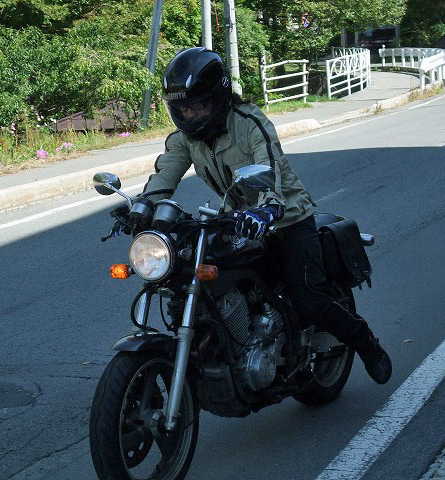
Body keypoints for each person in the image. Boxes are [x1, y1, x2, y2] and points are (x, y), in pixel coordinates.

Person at [135, 47, 392, 384]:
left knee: (307, 300)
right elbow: (165, 174)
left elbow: (270, 167)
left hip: (285, 218)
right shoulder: (185, 139)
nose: (191, 115)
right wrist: (141, 208)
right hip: (239, 223)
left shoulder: (250, 123)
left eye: (198, 106)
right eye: (183, 109)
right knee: (193, 281)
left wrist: (268, 207)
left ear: (218, 98)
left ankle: (365, 342)